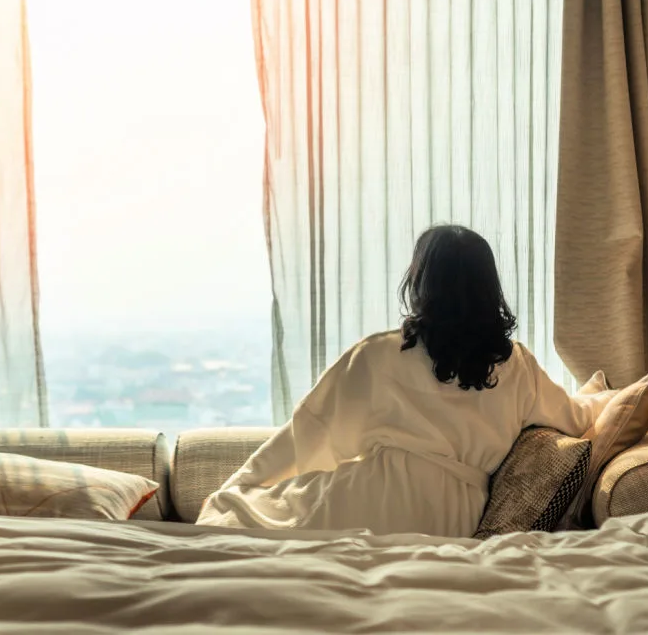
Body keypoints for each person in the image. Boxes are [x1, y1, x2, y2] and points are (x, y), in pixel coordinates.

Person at [197, 224, 608, 539]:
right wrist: (607, 397)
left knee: (238, 514)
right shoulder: (516, 364)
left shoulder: (378, 354)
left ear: (421, 282)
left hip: (373, 495)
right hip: (456, 514)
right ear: (488, 287)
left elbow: (308, 433)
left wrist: (241, 485)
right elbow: (575, 419)